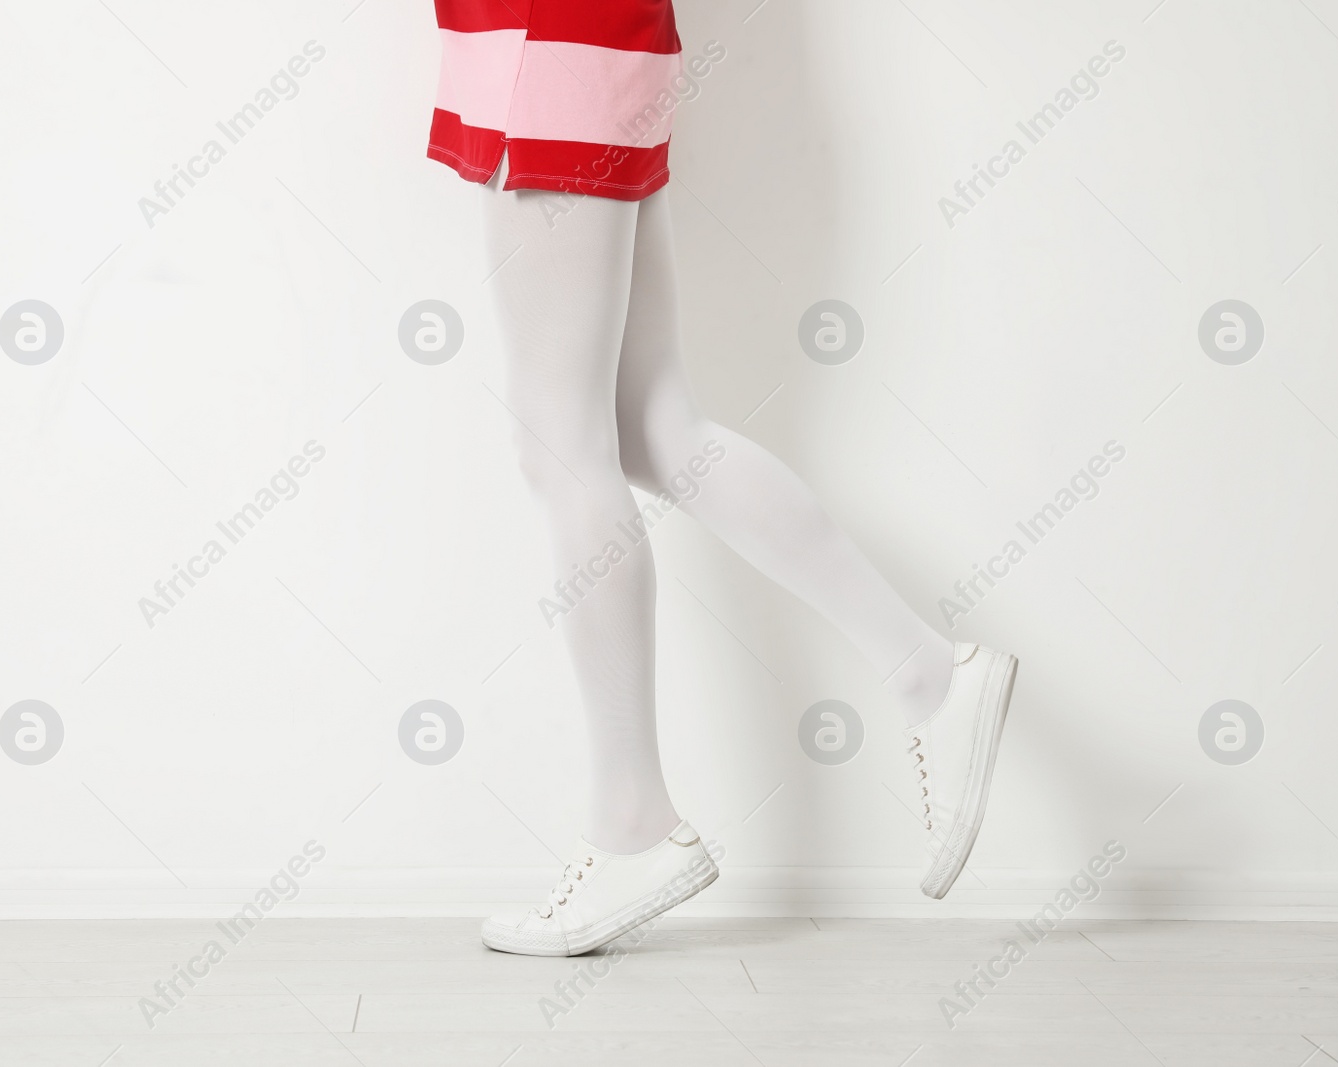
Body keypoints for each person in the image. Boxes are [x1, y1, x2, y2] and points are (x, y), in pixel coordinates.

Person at [426, 0, 1018, 957]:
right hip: (583, 50)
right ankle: (927, 672)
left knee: (564, 445)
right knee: (656, 431)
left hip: (543, 52)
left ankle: (632, 821)